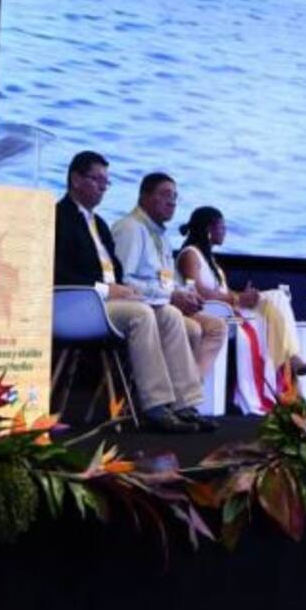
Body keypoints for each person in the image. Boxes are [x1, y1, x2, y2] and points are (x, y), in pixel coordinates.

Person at [54, 153, 211, 434]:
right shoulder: (57, 216)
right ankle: (155, 405)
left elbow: (113, 270)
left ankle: (184, 403)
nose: (102, 187)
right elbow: (57, 270)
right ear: (76, 180)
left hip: (108, 300)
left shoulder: (99, 224)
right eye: (96, 180)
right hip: (77, 304)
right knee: (141, 313)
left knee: (170, 315)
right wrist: (106, 288)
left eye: (106, 182)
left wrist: (125, 290)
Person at [111, 173, 225, 427]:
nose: (172, 202)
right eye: (165, 195)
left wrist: (181, 293)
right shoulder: (130, 228)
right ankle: (156, 404)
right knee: (172, 316)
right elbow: (124, 282)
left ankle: (184, 404)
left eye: (175, 196)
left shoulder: (161, 235)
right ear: (144, 196)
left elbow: (164, 281)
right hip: (128, 305)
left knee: (194, 328)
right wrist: (169, 296)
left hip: (153, 304)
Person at [176, 206, 306, 388]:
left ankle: (290, 358)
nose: (225, 231)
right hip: (209, 313)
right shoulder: (190, 255)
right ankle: (289, 359)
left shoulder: (208, 258)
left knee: (277, 297)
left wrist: (241, 295)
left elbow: (220, 292)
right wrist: (238, 298)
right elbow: (198, 291)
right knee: (273, 302)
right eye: (222, 227)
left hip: (225, 310)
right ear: (208, 230)